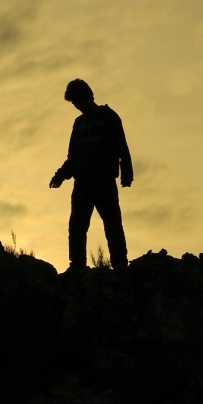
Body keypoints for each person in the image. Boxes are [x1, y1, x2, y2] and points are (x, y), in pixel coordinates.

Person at [49, 79, 134, 272]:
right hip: (82, 183)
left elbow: (122, 147)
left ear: (87, 97)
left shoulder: (110, 117)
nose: (77, 107)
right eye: (74, 104)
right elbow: (73, 155)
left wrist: (126, 173)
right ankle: (77, 265)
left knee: (112, 224)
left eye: (77, 102)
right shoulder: (78, 123)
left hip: (104, 180)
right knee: (77, 226)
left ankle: (120, 264)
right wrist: (61, 175)